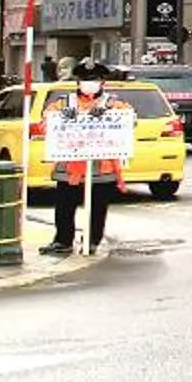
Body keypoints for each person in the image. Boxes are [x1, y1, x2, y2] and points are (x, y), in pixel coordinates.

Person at [46, 66, 131, 257]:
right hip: (69, 166)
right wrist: (60, 117)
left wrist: (107, 116)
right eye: (85, 79)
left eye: (94, 79)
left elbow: (129, 121)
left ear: (102, 82)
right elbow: (47, 123)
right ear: (77, 82)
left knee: (98, 208)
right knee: (64, 207)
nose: (89, 83)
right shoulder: (64, 103)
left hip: (101, 167)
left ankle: (92, 241)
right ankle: (62, 241)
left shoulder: (113, 104)